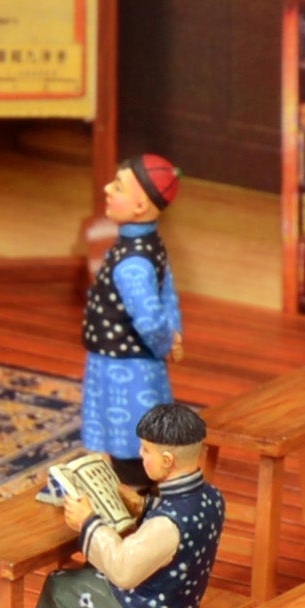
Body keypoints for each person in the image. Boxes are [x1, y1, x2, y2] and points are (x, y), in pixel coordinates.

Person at [25, 401, 226, 608]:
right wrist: (142, 505)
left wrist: (88, 521)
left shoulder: (166, 524)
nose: (140, 455)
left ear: (167, 461)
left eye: (146, 450)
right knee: (85, 571)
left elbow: (123, 570)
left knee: (60, 586)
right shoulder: (212, 496)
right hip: (182, 599)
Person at [80, 154, 185, 489]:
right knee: (135, 430)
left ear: (140, 206)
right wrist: (174, 336)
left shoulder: (133, 262)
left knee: (129, 438)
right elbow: (168, 293)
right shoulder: (148, 247)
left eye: (118, 186)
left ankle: (135, 493)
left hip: (123, 366)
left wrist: (166, 340)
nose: (107, 189)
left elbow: (150, 320)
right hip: (125, 361)